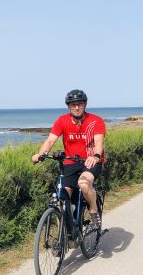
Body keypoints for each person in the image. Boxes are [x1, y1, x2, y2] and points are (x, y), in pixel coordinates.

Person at [31, 89, 106, 230]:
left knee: (84, 184)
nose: (76, 107)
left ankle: (93, 210)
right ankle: (64, 236)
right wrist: (40, 154)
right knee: (61, 201)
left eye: (80, 104)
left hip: (90, 162)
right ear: (68, 106)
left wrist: (96, 156)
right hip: (70, 163)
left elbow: (99, 142)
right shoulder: (62, 121)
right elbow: (50, 140)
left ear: (85, 105)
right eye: (73, 105)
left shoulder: (96, 121)